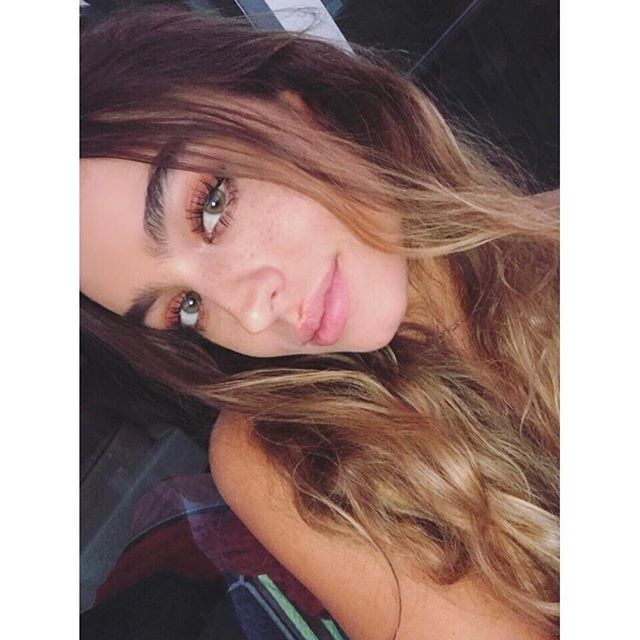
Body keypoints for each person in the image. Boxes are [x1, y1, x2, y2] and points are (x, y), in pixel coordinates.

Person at [80, 6, 559, 640]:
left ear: (297, 106)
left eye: (212, 206)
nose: (251, 312)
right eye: (185, 308)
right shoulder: (290, 453)